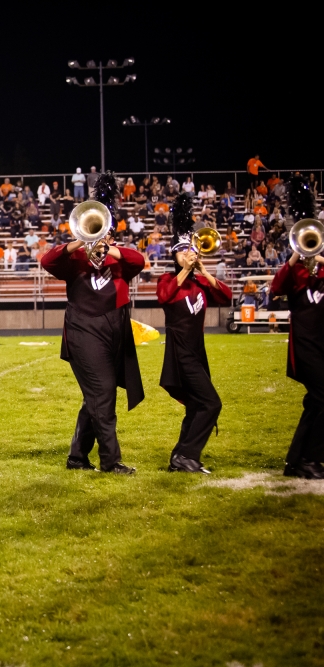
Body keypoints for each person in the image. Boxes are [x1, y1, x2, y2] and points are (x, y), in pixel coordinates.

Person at [40, 172, 145, 474]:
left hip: (115, 331)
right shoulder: (75, 262)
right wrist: (79, 242)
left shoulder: (119, 262)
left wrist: (109, 248)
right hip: (83, 331)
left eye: (106, 235)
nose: (100, 239)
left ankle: (77, 457)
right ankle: (111, 461)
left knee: (96, 397)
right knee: (103, 393)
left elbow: (139, 261)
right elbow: (47, 261)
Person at [158, 194, 233, 474]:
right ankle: (187, 455)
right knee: (211, 404)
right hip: (180, 353)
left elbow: (226, 297)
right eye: (181, 252)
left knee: (195, 406)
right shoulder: (168, 279)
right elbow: (165, 296)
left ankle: (180, 456)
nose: (186, 255)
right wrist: (186, 269)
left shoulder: (200, 285)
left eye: (189, 251)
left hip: (197, 352)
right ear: (174, 256)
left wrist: (203, 270)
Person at [270, 176, 324, 479]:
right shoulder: (295, 274)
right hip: (304, 346)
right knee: (322, 396)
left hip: (321, 344)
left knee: (316, 401)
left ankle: (296, 460)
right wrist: (294, 257)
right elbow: (275, 288)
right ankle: (310, 457)